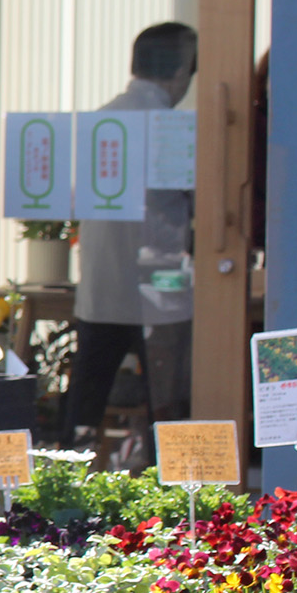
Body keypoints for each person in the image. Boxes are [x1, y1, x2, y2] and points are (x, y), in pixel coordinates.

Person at [67, 23, 198, 451]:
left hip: (101, 284)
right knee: (168, 402)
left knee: (87, 398)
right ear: (181, 69)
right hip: (161, 285)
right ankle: (176, 495)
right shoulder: (173, 129)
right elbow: (206, 206)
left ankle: (67, 492)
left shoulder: (99, 120)